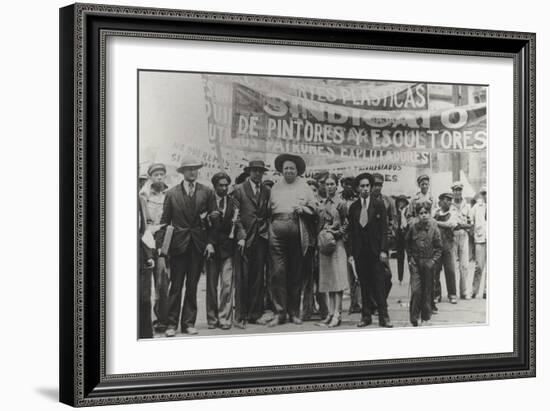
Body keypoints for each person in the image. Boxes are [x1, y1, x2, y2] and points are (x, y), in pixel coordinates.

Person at [156, 155, 218, 336]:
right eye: (189, 169)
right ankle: (171, 325)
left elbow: (214, 220)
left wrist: (210, 243)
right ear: (183, 172)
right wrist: (161, 246)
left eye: (195, 168)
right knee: (175, 286)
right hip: (178, 245)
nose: (193, 172)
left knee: (192, 285)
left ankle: (188, 323)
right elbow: (164, 222)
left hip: (198, 245)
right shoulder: (172, 194)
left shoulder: (207, 192)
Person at [268, 153, 318, 326]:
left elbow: (314, 210)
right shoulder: (275, 187)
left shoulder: (305, 187)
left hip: (297, 232)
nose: (289, 171)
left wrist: (303, 208)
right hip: (277, 232)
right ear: (281, 170)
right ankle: (279, 313)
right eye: (286, 168)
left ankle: (294, 313)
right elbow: (268, 212)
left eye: (292, 168)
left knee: (295, 273)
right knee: (277, 272)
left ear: (297, 171)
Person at [347, 173, 393, 328]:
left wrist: (383, 251)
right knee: (364, 285)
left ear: (371, 187)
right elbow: (352, 232)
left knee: (379, 284)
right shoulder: (354, 207)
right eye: (362, 186)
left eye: (367, 186)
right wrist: (351, 254)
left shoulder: (379, 204)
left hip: (376, 253)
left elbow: (384, 230)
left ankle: (384, 317)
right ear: (357, 188)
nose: (365, 189)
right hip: (361, 253)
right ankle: (365, 316)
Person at [232, 159, 271, 328]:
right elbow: (236, 216)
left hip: (261, 237)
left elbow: (269, 213)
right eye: (255, 170)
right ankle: (240, 315)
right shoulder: (238, 190)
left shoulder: (267, 190)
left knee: (258, 277)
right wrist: (240, 235)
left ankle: (255, 314)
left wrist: (266, 231)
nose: (258, 174)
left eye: (260, 171)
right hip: (244, 239)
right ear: (249, 172)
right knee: (242, 277)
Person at [205, 172, 246, 330]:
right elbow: (200, 223)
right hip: (211, 249)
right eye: (220, 185)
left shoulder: (233, 202)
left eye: (226, 185)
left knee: (227, 285)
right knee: (211, 285)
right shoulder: (207, 201)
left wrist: (242, 237)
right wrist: (208, 241)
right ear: (214, 186)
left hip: (228, 248)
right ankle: (211, 319)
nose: (223, 188)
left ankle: (224, 318)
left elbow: (239, 221)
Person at [139, 163, 169, 333]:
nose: (159, 177)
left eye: (161, 174)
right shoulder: (143, 195)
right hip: (146, 240)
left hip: (163, 238)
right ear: (150, 177)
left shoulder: (169, 193)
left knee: (162, 280)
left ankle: (161, 321)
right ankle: (143, 323)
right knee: (144, 285)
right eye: (156, 174)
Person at [316, 174, 348, 328]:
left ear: (337, 186)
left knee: (338, 280)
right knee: (328, 280)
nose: (329, 187)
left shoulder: (341, 204)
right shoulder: (322, 204)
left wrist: (335, 233)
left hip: (337, 244)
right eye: (327, 184)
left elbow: (346, 225)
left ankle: (338, 313)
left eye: (332, 184)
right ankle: (329, 313)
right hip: (324, 244)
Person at [406, 201, 443, 326]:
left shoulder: (434, 229)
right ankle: (414, 317)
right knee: (416, 290)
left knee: (427, 291)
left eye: (426, 212)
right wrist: (410, 259)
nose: (423, 215)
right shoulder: (413, 229)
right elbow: (408, 245)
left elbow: (439, 248)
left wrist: (433, 261)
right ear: (417, 215)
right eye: (421, 213)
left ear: (429, 213)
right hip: (416, 263)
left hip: (428, 264)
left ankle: (426, 317)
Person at [302, 179, 328, 321]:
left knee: (320, 280)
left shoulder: (320, 206)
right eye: (309, 190)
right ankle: (306, 310)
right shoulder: (303, 206)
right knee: (307, 281)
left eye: (314, 190)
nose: (312, 193)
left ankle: (324, 310)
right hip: (307, 247)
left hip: (318, 246)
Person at [371, 173, 396, 300]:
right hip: (369, 245)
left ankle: (381, 301)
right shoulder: (365, 201)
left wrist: (389, 236)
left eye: (380, 185)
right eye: (375, 184)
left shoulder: (388, 201)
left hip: (383, 244)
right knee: (371, 276)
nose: (377, 187)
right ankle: (374, 304)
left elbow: (393, 221)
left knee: (387, 276)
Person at [340, 174, 361, 314]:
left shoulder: (357, 201)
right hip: (341, 240)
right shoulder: (339, 200)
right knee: (345, 274)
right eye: (346, 183)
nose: (348, 186)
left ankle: (356, 303)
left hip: (354, 240)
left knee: (356, 271)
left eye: (350, 184)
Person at [433, 193, 458, 308]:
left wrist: (437, 223)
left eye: (449, 200)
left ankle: (452, 294)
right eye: (446, 200)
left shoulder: (453, 213)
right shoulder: (436, 212)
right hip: (437, 246)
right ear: (441, 201)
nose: (448, 202)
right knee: (435, 271)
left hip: (448, 246)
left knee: (450, 270)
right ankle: (436, 294)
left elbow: (451, 224)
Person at [138, 174, 154, 338]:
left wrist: (148, 255)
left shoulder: (141, 202)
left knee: (144, 297)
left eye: (140, 183)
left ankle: (144, 335)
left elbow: (143, 231)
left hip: (141, 255)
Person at [450, 182, 472, 299]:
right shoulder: (449, 205)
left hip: (464, 236)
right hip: (452, 236)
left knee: (464, 265)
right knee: (452, 265)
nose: (457, 192)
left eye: (459, 190)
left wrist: (463, 225)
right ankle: (453, 293)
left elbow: (470, 224)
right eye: (455, 190)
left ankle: (464, 292)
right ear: (452, 191)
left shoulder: (467, 206)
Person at [470, 186, 487, 299]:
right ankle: (474, 290)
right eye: (484, 193)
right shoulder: (477, 206)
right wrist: (473, 228)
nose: (487, 195)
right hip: (480, 239)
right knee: (479, 266)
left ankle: (487, 290)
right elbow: (470, 218)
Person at [394, 195, 410, 285]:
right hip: (399, 236)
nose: (401, 203)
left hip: (407, 235)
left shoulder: (407, 210)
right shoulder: (396, 212)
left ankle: (412, 276)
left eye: (402, 201)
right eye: (399, 202)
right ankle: (400, 278)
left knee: (409, 256)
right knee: (400, 258)